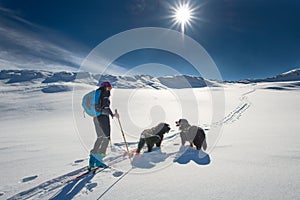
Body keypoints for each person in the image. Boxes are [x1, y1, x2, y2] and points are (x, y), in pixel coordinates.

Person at [89, 81, 119, 168]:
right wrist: (112, 114)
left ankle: (92, 161)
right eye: (109, 87)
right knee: (106, 138)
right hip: (103, 117)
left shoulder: (97, 93)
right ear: (106, 87)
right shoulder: (105, 92)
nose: (110, 90)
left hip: (95, 117)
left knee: (100, 137)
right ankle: (99, 160)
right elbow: (106, 106)